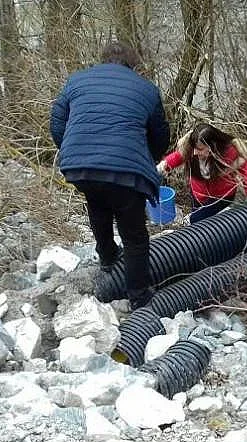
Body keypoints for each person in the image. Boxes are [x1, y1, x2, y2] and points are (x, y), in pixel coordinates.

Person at [50, 41, 170, 310]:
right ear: (133, 64)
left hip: (80, 166)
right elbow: (160, 136)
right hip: (126, 169)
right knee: (134, 233)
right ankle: (139, 294)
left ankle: (107, 258)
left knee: (97, 201)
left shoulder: (76, 80)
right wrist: (143, 158)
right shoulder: (147, 89)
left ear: (102, 60)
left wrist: (73, 150)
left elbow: (57, 121)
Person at [156, 123, 247, 223]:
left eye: (200, 149)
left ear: (212, 147)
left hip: (221, 196)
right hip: (198, 194)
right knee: (200, 221)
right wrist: (161, 167)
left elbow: (245, 167)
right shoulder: (191, 148)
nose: (195, 153)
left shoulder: (228, 151)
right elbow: (178, 156)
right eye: (194, 149)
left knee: (195, 220)